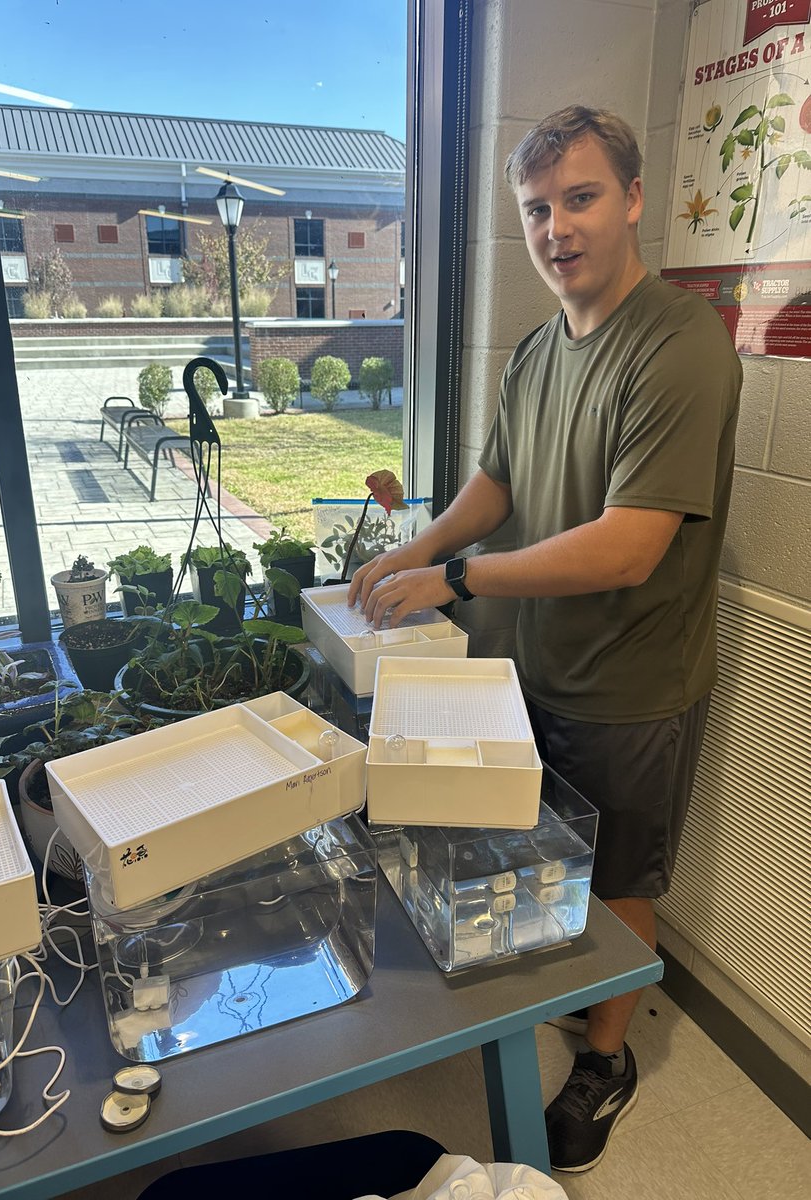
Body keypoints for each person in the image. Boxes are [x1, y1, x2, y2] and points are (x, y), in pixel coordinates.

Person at [348, 105, 742, 1173]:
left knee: (619, 878)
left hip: (631, 682)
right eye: (536, 209)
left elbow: (626, 549)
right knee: (546, 858)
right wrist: (406, 554)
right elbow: (500, 484)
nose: (556, 228)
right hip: (533, 668)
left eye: (580, 199)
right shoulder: (535, 351)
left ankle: (606, 1059)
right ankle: (576, 998)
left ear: (633, 202)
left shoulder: (680, 341)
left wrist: (457, 576)